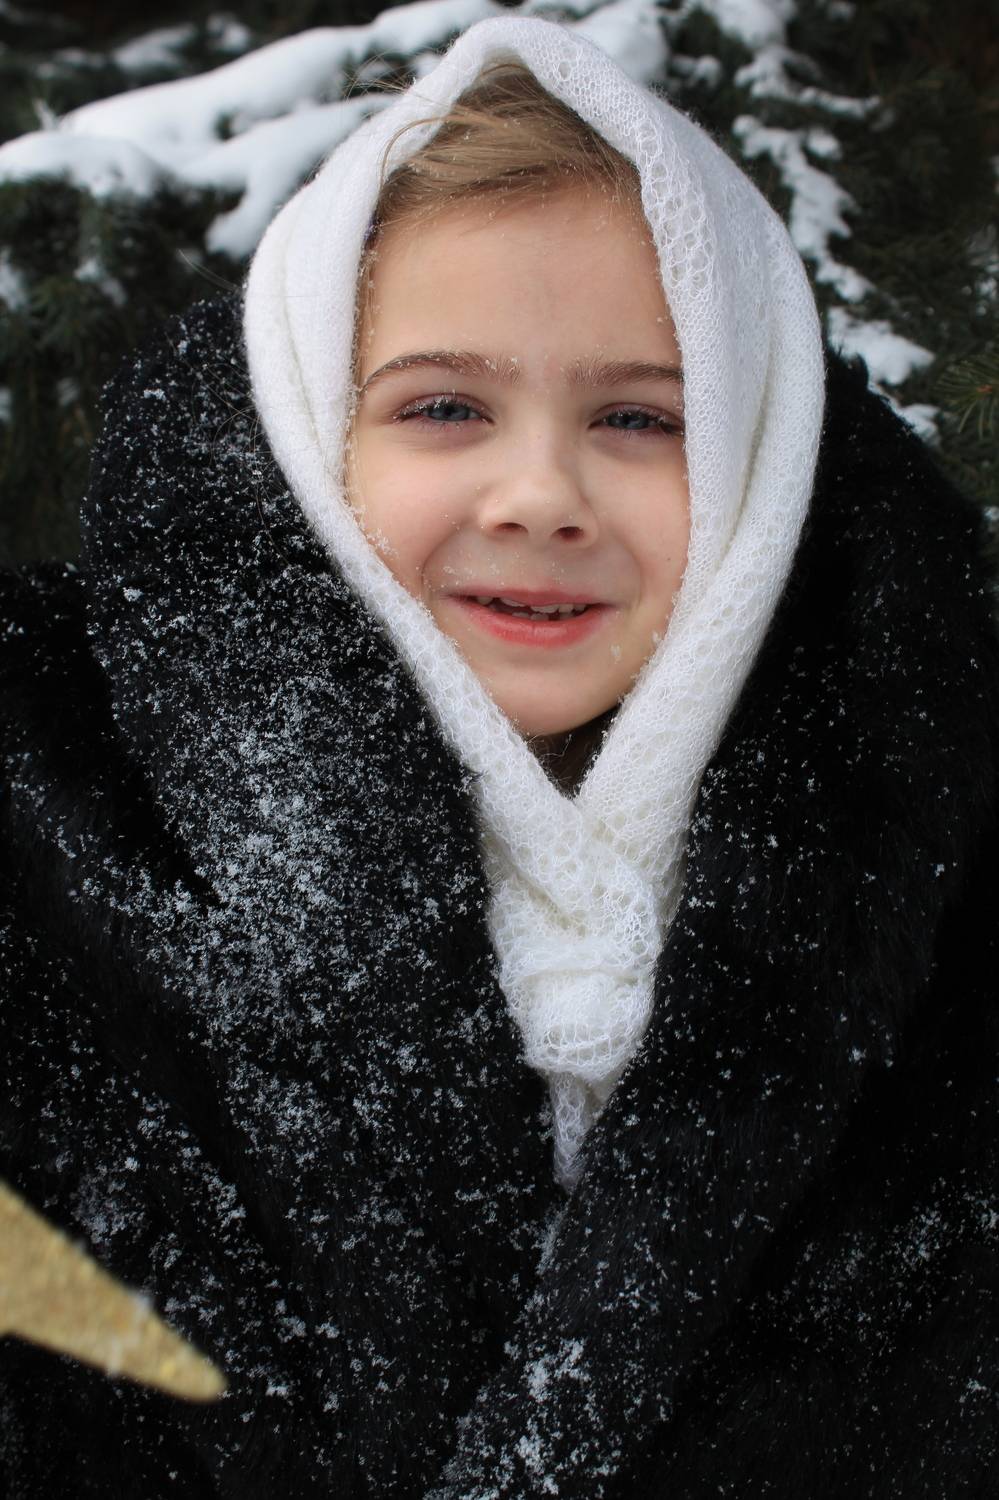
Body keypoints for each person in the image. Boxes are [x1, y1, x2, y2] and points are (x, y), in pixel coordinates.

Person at [1, 13, 998, 1497]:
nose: (540, 492)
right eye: (445, 407)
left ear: (760, 455)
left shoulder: (946, 892)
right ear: (307, 429)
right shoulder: (46, 825)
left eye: (639, 417)